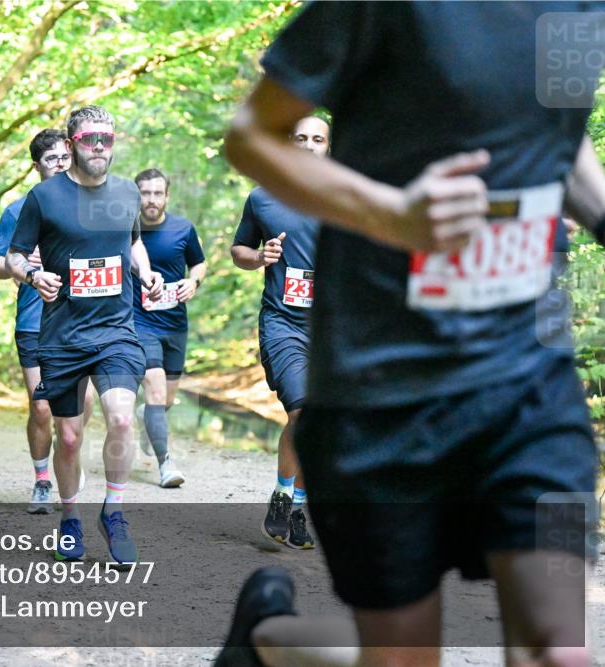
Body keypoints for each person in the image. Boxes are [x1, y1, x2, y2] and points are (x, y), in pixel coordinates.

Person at [217, 3, 604, 666]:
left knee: (559, 650)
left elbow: (556, 135)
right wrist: (394, 215)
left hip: (532, 385)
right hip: (382, 389)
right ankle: (264, 640)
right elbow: (253, 135)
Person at [7, 105, 163, 565]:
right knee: (70, 437)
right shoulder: (44, 197)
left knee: (121, 419)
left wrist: (146, 273)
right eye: (90, 138)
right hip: (63, 336)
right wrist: (33, 276)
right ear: (72, 143)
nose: (99, 146)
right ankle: (71, 517)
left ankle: (113, 513)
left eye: (106, 138)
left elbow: (134, 242)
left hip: (116, 331)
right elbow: (15, 255)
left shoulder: (127, 192)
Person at [231, 115, 330, 550]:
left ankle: (298, 508)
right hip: (283, 323)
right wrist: (260, 257)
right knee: (302, 411)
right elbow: (239, 249)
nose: (308, 145)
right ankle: (283, 494)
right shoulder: (263, 198)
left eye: (317, 139)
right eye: (300, 138)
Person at [0, 129, 94, 513]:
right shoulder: (18, 211)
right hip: (35, 320)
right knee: (41, 406)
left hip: (82, 321)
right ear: (37, 166)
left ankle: (69, 454)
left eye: (65, 157)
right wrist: (23, 266)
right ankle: (42, 480)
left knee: (84, 403)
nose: (60, 165)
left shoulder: (91, 205)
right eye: (51, 159)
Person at [132, 167, 207, 488]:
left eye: (157, 193)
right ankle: (166, 464)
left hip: (175, 323)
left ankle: (147, 417)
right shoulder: (125, 231)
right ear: (136, 196)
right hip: (139, 322)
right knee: (155, 388)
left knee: (164, 400)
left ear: (167, 196)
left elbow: (199, 263)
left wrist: (194, 281)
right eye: (145, 193)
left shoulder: (182, 228)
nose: (151, 199)